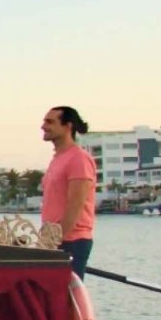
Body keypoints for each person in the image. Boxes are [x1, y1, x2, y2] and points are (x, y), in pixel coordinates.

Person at [40, 105, 97, 279]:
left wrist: (56, 241)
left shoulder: (79, 158)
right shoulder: (57, 159)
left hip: (72, 241)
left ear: (68, 126)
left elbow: (76, 204)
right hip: (54, 241)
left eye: (50, 122)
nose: (43, 126)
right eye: (44, 121)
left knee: (64, 299)